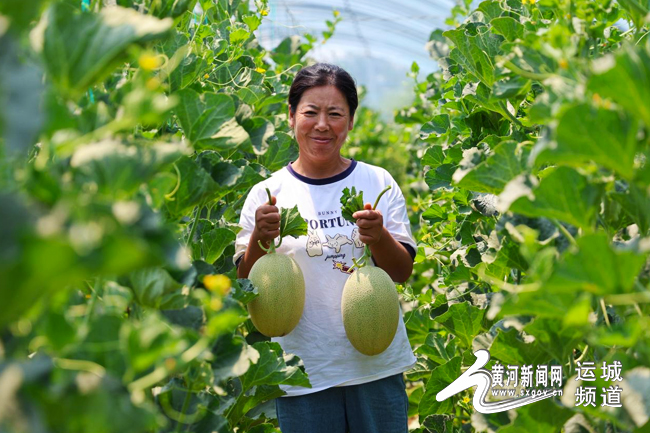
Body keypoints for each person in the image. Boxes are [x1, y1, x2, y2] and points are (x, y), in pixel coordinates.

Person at [234, 63, 417, 433]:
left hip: (376, 369)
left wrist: (379, 237)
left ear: (350, 122)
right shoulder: (267, 194)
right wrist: (259, 238)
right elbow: (245, 282)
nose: (322, 124)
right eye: (310, 112)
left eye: (335, 114)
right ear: (290, 116)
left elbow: (401, 273)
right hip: (304, 376)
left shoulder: (376, 182)